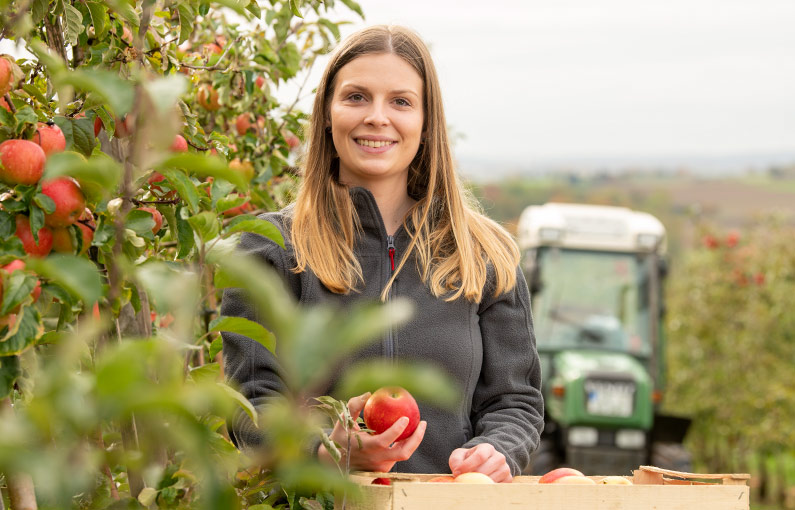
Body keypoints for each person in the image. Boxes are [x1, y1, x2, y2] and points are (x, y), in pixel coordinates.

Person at [221, 25, 544, 483]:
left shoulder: (484, 255)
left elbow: (515, 402)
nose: (377, 117)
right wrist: (323, 447)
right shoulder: (270, 249)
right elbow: (250, 404)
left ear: (426, 122)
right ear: (327, 114)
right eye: (356, 97)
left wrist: (495, 451)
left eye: (401, 101)